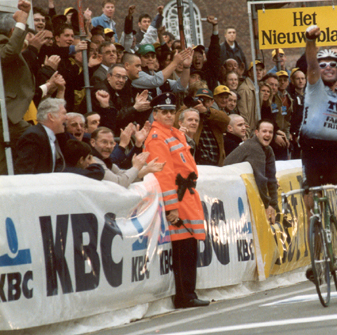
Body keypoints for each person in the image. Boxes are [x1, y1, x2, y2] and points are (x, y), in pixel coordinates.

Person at [300, 24, 337, 273]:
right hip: (311, 152)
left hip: (333, 152)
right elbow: (312, 67)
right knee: (312, 207)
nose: (326, 68)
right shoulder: (314, 86)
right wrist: (310, 41)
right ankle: (317, 260)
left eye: (332, 64)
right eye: (323, 64)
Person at [144, 92, 210, 309]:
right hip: (178, 198)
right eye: (164, 112)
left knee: (190, 245)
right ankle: (185, 295)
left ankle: (188, 292)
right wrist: (171, 206)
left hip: (187, 195)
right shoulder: (157, 137)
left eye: (172, 112)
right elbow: (164, 174)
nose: (169, 115)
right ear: (155, 113)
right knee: (184, 248)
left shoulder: (173, 134)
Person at [0, 0, 36, 175]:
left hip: (8, 114)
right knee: (37, 138)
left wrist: (24, 18)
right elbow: (9, 53)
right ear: (13, 31)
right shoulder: (2, 43)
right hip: (5, 115)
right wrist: (22, 21)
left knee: (4, 164)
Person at [224, 120, 279, 222]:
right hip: (227, 189)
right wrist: (267, 206)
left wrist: (273, 205)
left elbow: (271, 179)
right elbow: (261, 180)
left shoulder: (269, 150)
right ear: (256, 133)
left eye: (270, 132)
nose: (267, 134)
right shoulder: (254, 147)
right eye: (264, 131)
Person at [91, 127, 159, 187]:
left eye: (111, 143)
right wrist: (136, 167)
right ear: (93, 142)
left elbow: (125, 176)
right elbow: (119, 183)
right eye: (104, 142)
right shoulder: (92, 160)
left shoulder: (105, 160)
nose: (108, 146)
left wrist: (146, 169)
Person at [14, 98, 68, 174]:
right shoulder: (33, 136)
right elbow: (25, 172)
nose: (67, 117)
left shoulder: (49, 136)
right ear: (51, 116)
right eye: (64, 113)